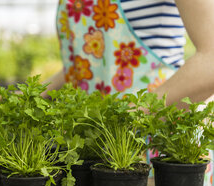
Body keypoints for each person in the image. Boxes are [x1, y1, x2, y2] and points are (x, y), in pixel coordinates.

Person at [43, 0, 214, 109]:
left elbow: (210, 63)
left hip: (156, 143)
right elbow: (89, 65)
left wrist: (129, 118)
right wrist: (32, 97)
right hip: (89, 144)